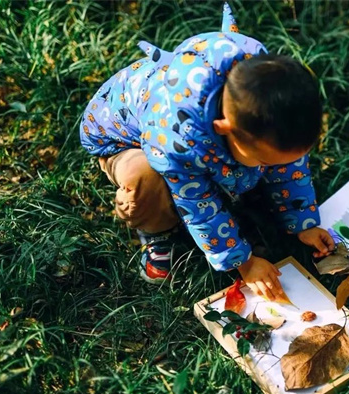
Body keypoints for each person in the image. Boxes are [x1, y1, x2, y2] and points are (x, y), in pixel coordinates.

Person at [79, 2, 335, 298]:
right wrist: (244, 263)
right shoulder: (177, 141)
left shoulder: (266, 101)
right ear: (225, 129)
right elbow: (198, 205)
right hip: (124, 142)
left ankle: (242, 177)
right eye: (266, 162)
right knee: (146, 179)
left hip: (199, 138)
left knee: (264, 160)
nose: (279, 166)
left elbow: (289, 166)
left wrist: (303, 223)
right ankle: (157, 235)